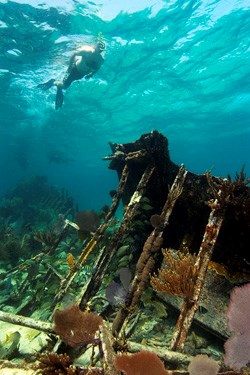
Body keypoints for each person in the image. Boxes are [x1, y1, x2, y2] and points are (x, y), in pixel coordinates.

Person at [38, 41, 105, 109]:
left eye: (101, 48)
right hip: (74, 70)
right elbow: (74, 54)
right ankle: (53, 82)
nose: (99, 49)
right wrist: (70, 66)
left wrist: (91, 74)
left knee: (66, 86)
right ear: (96, 46)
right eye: (99, 46)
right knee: (64, 86)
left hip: (81, 75)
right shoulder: (87, 51)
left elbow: (97, 68)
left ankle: (57, 85)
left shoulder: (101, 60)